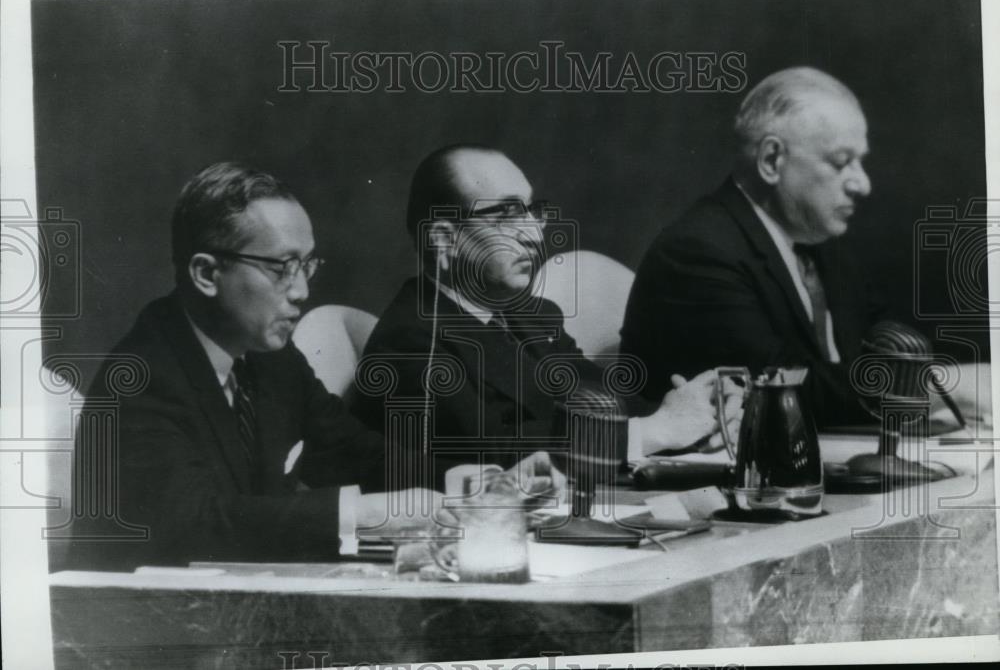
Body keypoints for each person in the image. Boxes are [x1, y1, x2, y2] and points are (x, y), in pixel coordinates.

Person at [66, 162, 553, 572]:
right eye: (281, 267)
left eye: (307, 265)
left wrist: (468, 483)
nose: (301, 291)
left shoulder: (268, 356)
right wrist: (357, 514)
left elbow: (352, 450)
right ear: (206, 273)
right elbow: (199, 524)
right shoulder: (141, 376)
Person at [353, 145, 737, 490]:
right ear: (444, 239)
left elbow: (607, 401)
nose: (535, 235)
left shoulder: (534, 316)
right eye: (506, 215)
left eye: (532, 211)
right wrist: (658, 429)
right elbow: (497, 453)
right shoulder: (408, 341)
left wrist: (699, 413)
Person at [621, 67, 885, 427]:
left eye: (860, 161)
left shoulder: (825, 248)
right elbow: (781, 392)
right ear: (771, 160)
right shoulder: (695, 254)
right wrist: (939, 388)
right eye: (841, 162)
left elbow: (882, 353)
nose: (863, 184)